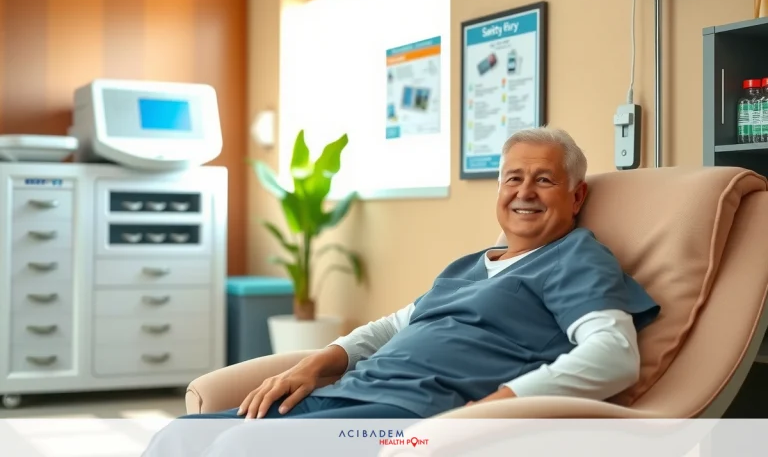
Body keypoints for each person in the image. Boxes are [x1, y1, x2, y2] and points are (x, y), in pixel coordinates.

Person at [142, 127, 660, 454]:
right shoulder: (474, 263)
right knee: (179, 437)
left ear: (577, 195)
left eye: (543, 180)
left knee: (243, 449)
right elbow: (393, 326)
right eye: (511, 179)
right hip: (347, 395)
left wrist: (495, 407)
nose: (523, 192)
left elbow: (613, 355)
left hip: (410, 415)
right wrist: (312, 365)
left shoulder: (576, 257)